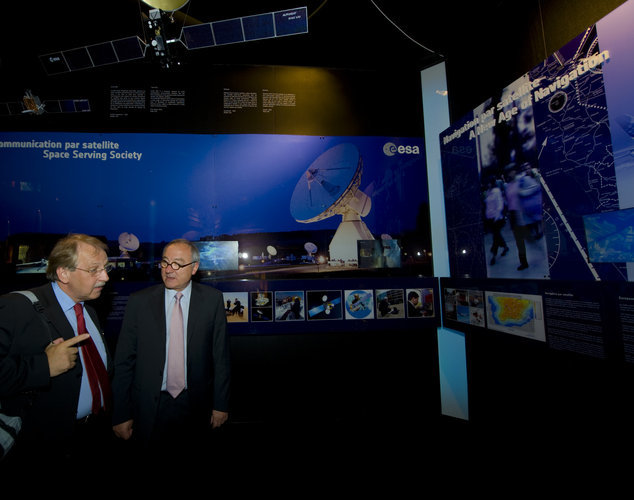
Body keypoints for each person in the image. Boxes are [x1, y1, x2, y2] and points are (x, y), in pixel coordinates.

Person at [0, 233, 114, 467]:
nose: (105, 277)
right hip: (40, 447)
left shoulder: (89, 310)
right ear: (63, 273)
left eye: (106, 268)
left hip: (94, 436)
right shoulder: (15, 307)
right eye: (94, 270)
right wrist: (44, 366)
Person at [112, 238, 230, 459]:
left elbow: (220, 357)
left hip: (196, 405)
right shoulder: (140, 302)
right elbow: (124, 362)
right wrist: (121, 413)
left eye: (177, 264)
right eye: (165, 262)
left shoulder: (212, 300)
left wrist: (220, 404)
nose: (168, 269)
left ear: (194, 268)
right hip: (149, 406)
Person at [484, 176, 509, 265]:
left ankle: (493, 255)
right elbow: (488, 205)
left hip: (497, 218)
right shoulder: (488, 192)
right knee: (497, 235)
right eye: (487, 183)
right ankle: (505, 247)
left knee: (496, 236)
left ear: (492, 182)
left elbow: (500, 205)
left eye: (489, 183)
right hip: (490, 218)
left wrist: (496, 217)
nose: (487, 184)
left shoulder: (496, 191)